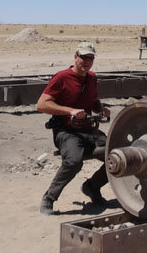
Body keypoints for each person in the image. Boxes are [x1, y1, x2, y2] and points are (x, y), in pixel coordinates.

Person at [37, 41, 112, 215]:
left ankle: (92, 187)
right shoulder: (61, 78)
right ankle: (49, 198)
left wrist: (101, 110)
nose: (87, 62)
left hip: (89, 130)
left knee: (118, 156)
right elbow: (41, 104)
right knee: (74, 161)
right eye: (84, 58)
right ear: (75, 56)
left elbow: (93, 101)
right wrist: (70, 111)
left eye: (91, 58)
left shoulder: (91, 78)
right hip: (66, 131)